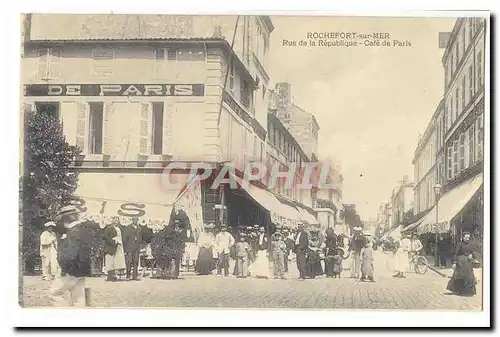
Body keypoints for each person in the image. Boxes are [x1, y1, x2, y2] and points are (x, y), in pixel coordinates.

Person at [51, 205, 92, 307]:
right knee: (78, 298)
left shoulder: (72, 232)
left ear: (69, 217)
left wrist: (64, 268)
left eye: (63, 217)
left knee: (54, 293)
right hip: (81, 270)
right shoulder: (83, 230)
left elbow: (70, 254)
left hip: (70, 270)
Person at [447, 232, 477, 296]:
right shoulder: (459, 244)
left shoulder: (470, 244)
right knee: (460, 276)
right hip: (460, 262)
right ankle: (460, 290)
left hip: (468, 263)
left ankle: (468, 291)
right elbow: (455, 253)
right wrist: (454, 262)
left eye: (468, 238)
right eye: (466, 237)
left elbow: (473, 252)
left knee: (469, 276)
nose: (467, 239)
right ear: (463, 237)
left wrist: (472, 255)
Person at [103, 217, 126, 281]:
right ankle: (109, 276)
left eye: (117, 220)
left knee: (115, 261)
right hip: (110, 247)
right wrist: (114, 241)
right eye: (115, 220)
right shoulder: (109, 228)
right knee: (110, 261)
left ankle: (113, 275)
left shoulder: (119, 228)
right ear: (112, 220)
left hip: (118, 247)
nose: (116, 221)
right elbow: (105, 237)